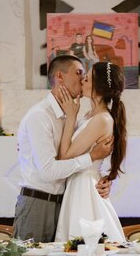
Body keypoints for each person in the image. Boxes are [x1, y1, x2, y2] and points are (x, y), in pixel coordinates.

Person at [13, 55, 113, 242]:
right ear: (60, 76)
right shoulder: (40, 116)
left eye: (85, 76)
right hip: (39, 203)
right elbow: (49, 172)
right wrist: (91, 157)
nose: (83, 79)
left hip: (65, 202)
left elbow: (85, 151)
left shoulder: (71, 116)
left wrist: (102, 177)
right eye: (79, 73)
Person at [54, 61, 127, 242]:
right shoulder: (90, 116)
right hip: (78, 182)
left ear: (98, 87)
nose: (82, 81)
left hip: (85, 187)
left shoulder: (101, 119)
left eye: (86, 79)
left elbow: (65, 155)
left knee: (84, 243)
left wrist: (71, 115)